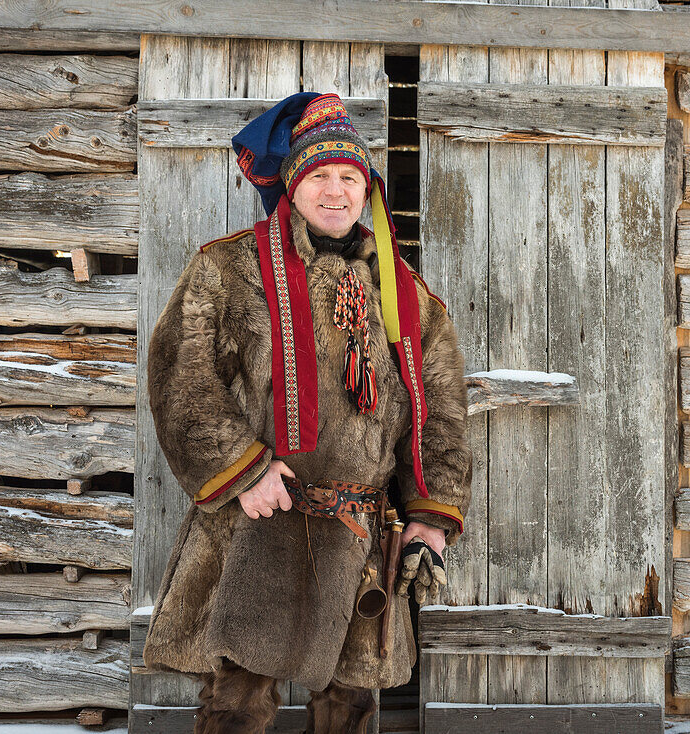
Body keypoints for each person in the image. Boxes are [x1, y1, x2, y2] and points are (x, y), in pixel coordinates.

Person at [141, 92, 472, 734]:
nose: (335, 191)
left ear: (367, 188)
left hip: (363, 529)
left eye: (349, 176)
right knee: (237, 698)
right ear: (293, 184)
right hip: (265, 514)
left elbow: (440, 414)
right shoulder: (231, 270)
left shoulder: (406, 295)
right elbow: (182, 375)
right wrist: (243, 471)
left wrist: (431, 515)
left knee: (351, 706)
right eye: (319, 175)